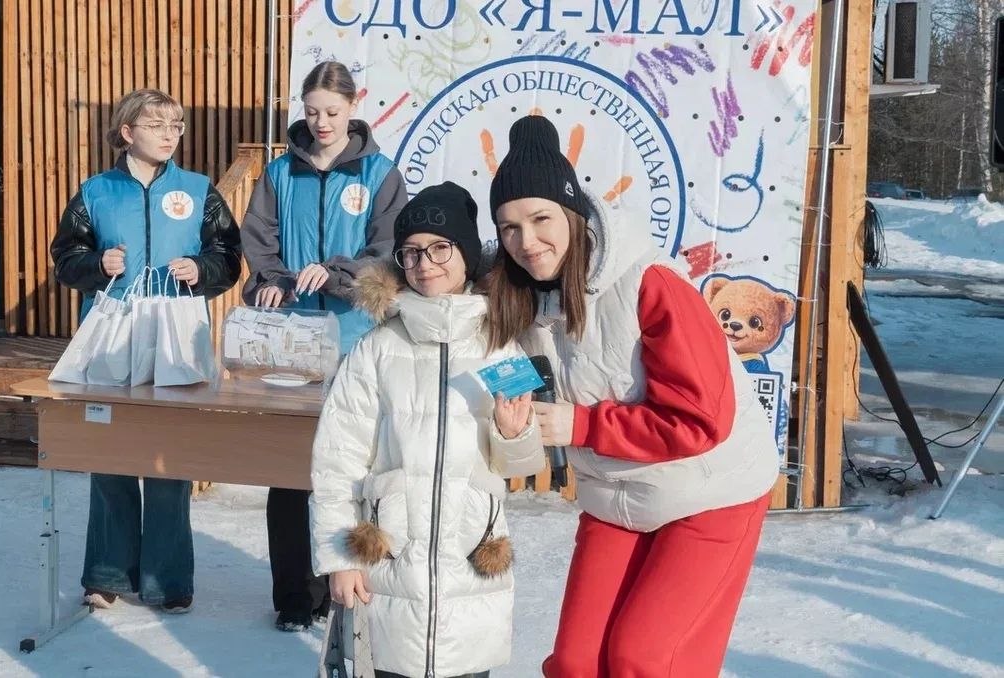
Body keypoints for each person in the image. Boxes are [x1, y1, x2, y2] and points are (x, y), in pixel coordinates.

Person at [483, 116, 780, 678]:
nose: (527, 241)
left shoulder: (649, 283)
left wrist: (582, 426)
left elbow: (699, 422)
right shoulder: (513, 299)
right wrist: (513, 428)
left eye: (541, 218)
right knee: (575, 663)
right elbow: (518, 422)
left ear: (573, 212)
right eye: (509, 227)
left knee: (644, 660)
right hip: (615, 496)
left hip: (711, 490)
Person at [310, 182, 548, 678]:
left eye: (441, 247)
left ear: (465, 254)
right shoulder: (375, 349)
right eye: (412, 252)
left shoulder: (502, 348)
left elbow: (524, 465)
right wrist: (340, 559)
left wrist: (512, 434)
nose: (426, 262)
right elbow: (336, 461)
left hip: (471, 566)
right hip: (390, 566)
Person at [50, 88, 242, 614]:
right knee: (110, 452)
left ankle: (168, 578)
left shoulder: (201, 191)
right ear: (127, 132)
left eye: (176, 125)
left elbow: (228, 256)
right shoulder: (95, 191)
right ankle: (107, 573)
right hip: (111, 334)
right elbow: (66, 256)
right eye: (157, 125)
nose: (170, 134)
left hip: (176, 336)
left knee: (167, 456)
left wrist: (201, 270)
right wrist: (97, 266)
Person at [241, 60, 407, 632]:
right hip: (291, 345)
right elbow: (259, 239)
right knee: (290, 474)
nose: (321, 123)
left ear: (354, 106)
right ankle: (293, 596)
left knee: (348, 471)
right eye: (311, 112)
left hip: (355, 343)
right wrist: (269, 283)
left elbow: (388, 251)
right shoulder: (280, 172)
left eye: (332, 112)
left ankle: (347, 583)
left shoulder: (380, 174)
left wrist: (336, 274)